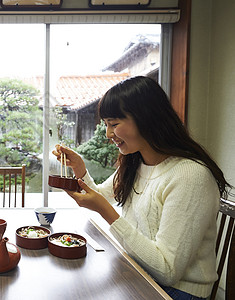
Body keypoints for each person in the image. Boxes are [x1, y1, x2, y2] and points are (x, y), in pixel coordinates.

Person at [52, 76, 232, 300]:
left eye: (114, 124)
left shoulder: (190, 176)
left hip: (177, 291)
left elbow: (167, 271)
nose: (108, 134)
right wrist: (80, 170)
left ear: (145, 118)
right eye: (106, 125)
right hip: (138, 272)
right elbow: (102, 196)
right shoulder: (136, 161)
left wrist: (106, 213)